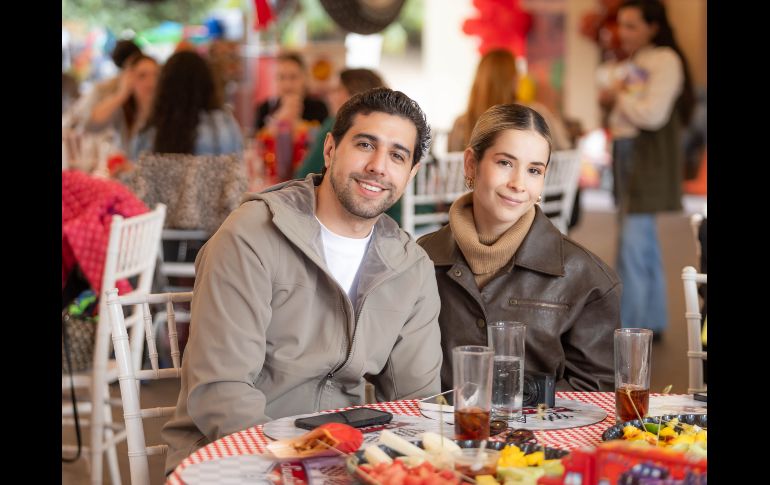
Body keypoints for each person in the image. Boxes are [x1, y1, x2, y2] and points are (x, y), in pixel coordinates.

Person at [162, 87, 442, 473]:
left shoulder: (411, 267)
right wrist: (294, 463)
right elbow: (221, 393)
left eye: (397, 155)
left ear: (409, 174)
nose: (379, 165)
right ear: (330, 150)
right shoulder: (250, 237)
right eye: (365, 144)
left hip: (343, 458)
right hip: (231, 454)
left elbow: (418, 403)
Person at [418, 103, 621, 392]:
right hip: (433, 433)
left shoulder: (588, 279)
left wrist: (517, 400)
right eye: (505, 163)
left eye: (534, 170)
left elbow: (596, 394)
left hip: (542, 435)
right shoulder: (420, 260)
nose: (518, 183)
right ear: (471, 164)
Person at [598, 0, 695, 338]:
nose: (622, 33)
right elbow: (625, 113)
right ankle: (650, 322)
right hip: (628, 151)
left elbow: (652, 114)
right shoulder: (638, 60)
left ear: (653, 27)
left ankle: (631, 329)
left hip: (645, 155)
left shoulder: (665, 60)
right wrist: (619, 99)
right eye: (621, 25)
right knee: (643, 241)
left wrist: (619, 97)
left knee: (633, 242)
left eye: (631, 26)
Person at [447, 49, 571, 153]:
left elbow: (451, 169)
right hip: (543, 182)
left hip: (471, 183)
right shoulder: (535, 114)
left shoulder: (461, 124)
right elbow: (565, 150)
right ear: (513, 79)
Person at [130, 50, 244, 159]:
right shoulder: (225, 124)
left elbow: (139, 171)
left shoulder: (149, 134)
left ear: (164, 87)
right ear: (208, 85)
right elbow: (238, 166)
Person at [294, 68, 385, 179]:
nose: (330, 96)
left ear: (354, 94)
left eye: (337, 90)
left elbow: (304, 176)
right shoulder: (385, 128)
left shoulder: (336, 123)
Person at [85, 52, 159, 154]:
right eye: (142, 76)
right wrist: (122, 94)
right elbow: (92, 125)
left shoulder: (167, 113)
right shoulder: (124, 110)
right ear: (128, 78)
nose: (151, 82)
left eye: (156, 75)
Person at [253, 51, 329, 133]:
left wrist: (295, 121)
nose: (287, 85)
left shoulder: (319, 108)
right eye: (282, 77)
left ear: (304, 78)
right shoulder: (265, 108)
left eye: (293, 77)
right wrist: (280, 118)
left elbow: (323, 141)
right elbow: (258, 141)